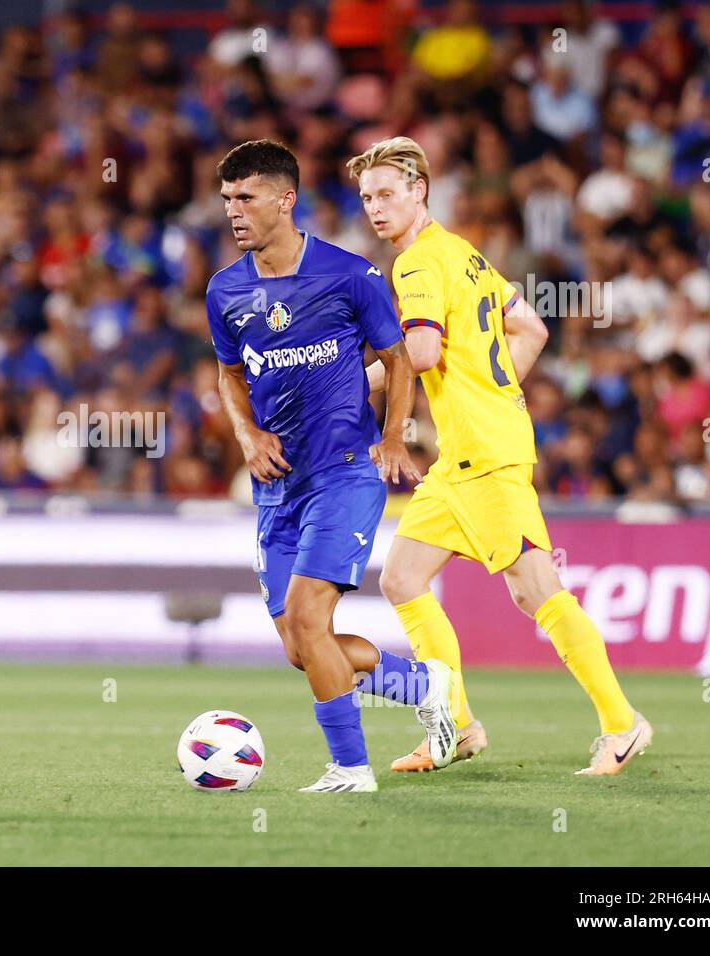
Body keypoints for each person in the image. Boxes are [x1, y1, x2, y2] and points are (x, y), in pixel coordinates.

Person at [351, 136, 651, 776]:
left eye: (386, 194)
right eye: (366, 198)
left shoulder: (414, 265)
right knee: (401, 578)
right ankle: (454, 725)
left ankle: (622, 724)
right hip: (464, 457)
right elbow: (533, 330)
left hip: (484, 457)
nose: (375, 209)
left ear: (419, 192)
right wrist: (493, 393)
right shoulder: (466, 255)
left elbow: (423, 355)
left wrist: (356, 377)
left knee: (536, 590)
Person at [207, 139, 456, 794]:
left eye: (247, 197)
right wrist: (247, 435)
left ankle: (350, 768)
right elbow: (229, 373)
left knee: (311, 622)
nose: (234, 211)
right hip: (276, 486)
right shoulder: (225, 290)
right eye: (227, 198)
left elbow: (399, 358)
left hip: (343, 474)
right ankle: (425, 685)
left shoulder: (349, 275)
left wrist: (396, 438)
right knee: (301, 648)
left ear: (285, 201)